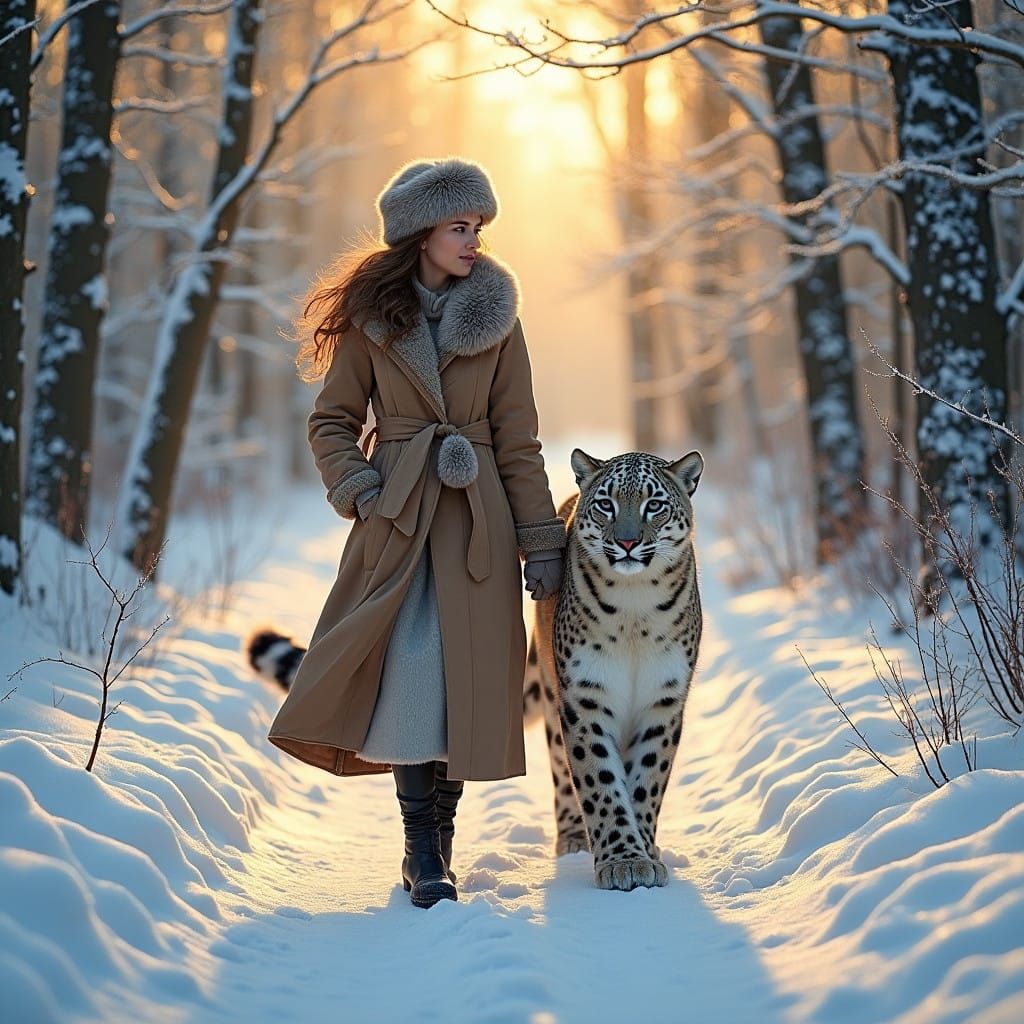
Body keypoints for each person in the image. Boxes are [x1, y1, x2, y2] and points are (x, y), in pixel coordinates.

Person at [267, 157, 566, 909]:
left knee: (467, 682)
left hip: (477, 520)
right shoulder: (373, 320)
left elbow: (518, 439)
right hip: (397, 519)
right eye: (459, 226)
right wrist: (361, 490)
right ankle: (419, 847)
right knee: (409, 675)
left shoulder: (499, 319)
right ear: (420, 232)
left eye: (478, 226)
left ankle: (443, 841)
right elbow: (331, 422)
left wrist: (540, 540)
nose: (474, 240)